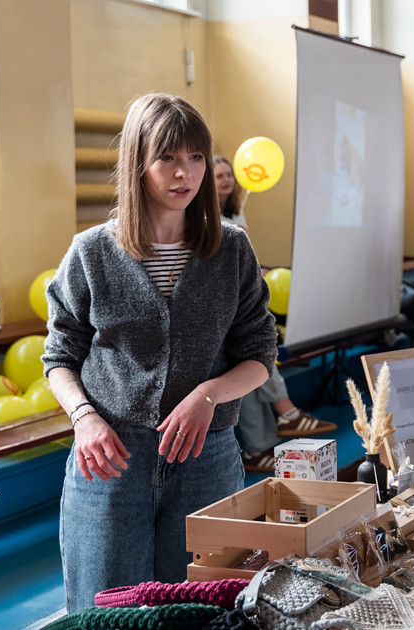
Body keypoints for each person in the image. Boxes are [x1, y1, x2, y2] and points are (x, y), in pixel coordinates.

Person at [42, 93, 277, 610]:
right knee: (106, 605)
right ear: (137, 162)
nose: (184, 174)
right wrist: (83, 417)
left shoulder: (232, 250)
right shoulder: (92, 253)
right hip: (109, 456)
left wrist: (209, 396)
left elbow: (260, 352)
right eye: (167, 157)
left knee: (202, 605)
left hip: (205, 455)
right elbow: (59, 356)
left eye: (195, 157)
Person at [212, 154, 336, 472]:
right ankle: (286, 411)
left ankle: (258, 448)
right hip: (223, 304)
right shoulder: (206, 216)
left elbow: (244, 257)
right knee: (253, 353)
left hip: (241, 295)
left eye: (229, 174)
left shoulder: (233, 211)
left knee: (247, 370)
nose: (226, 180)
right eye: (218, 175)